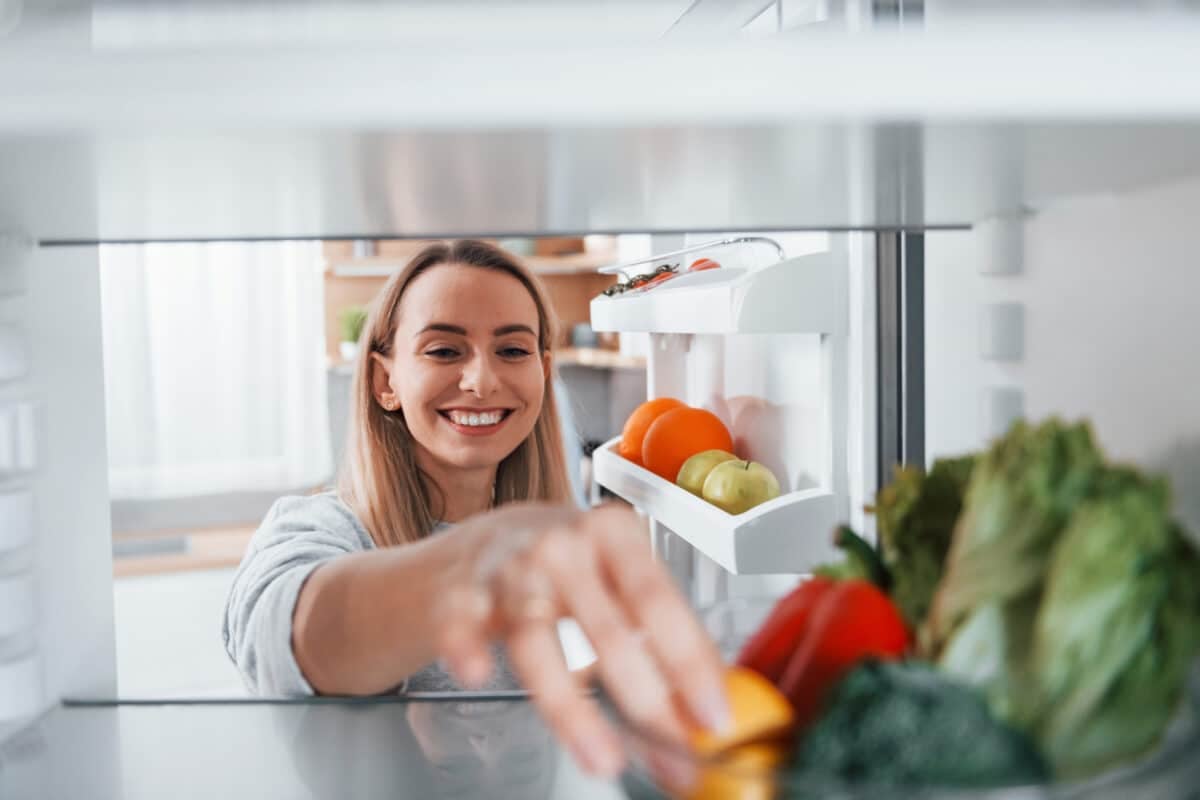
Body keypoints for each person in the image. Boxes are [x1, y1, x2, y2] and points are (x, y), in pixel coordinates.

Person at [222, 239, 728, 778]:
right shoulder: (316, 527)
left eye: (512, 350)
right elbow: (287, 639)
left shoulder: (529, 552)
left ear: (542, 372)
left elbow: (488, 719)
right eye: (444, 350)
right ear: (384, 380)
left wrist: (594, 691)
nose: (482, 382)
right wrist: (472, 563)